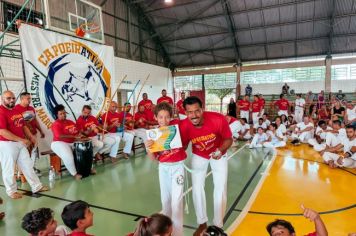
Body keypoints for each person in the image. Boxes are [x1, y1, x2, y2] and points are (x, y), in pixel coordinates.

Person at [180, 96, 232, 235]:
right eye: (190, 112)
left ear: (202, 110)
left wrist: (221, 150)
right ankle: (202, 223)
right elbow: (184, 145)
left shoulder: (217, 119)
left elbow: (228, 139)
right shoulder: (184, 125)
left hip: (218, 152)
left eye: (197, 111)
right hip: (199, 155)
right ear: (185, 113)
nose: (194, 115)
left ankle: (217, 225)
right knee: (196, 188)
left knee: (220, 188)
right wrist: (172, 151)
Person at [145, 103, 187, 235]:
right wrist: (148, 147)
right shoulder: (153, 134)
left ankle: (178, 233)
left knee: (177, 202)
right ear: (155, 117)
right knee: (166, 201)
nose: (164, 120)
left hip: (178, 167)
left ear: (171, 117)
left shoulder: (176, 127)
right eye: (161, 117)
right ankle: (166, 231)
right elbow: (153, 158)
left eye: (167, 117)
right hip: (163, 168)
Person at [0, 90, 48, 199]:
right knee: (9, 169)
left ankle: (36, 186)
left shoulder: (15, 110)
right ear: (2, 99)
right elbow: (2, 131)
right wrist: (21, 140)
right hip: (7, 144)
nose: (12, 100)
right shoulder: (1, 111)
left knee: (28, 165)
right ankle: (11, 191)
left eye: (13, 98)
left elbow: (23, 125)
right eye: (8, 98)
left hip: (20, 143)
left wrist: (30, 136)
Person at [51, 104, 94, 179]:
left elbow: (77, 132)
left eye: (64, 113)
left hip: (72, 142)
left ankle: (87, 169)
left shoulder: (70, 122)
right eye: (61, 114)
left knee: (85, 152)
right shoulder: (56, 124)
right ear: (57, 115)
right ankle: (74, 174)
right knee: (68, 157)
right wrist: (74, 137)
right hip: (59, 143)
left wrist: (82, 136)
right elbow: (59, 136)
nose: (63, 115)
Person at [14, 92, 45, 175]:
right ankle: (20, 172)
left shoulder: (31, 108)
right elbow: (20, 123)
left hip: (33, 133)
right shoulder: (16, 109)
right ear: (22, 99)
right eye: (27, 98)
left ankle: (31, 169)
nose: (29, 100)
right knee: (24, 153)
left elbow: (35, 120)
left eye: (30, 98)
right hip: (24, 135)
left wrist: (41, 130)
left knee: (34, 151)